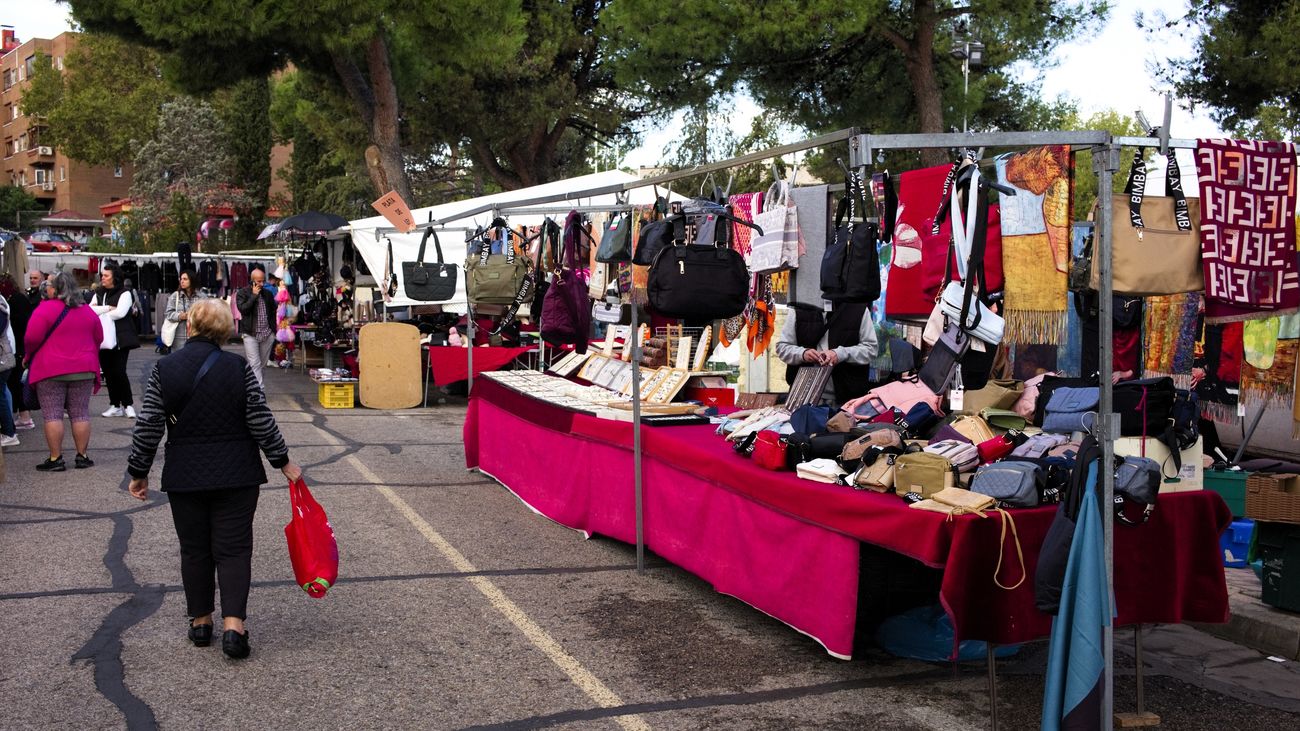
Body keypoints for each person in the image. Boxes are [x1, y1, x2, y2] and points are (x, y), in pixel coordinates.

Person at [126, 299, 301, 659]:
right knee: (234, 549)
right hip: (237, 473)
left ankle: (201, 622)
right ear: (225, 331)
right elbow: (259, 419)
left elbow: (149, 425)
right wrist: (282, 461)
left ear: (189, 327)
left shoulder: (165, 369)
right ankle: (234, 627)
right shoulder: (238, 368)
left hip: (185, 473)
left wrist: (138, 471)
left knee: (195, 549)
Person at [24, 271, 104, 471]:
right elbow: (99, 337)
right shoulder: (87, 311)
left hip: (50, 369)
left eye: (50, 285)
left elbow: (31, 339)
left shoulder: (45, 309)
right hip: (84, 369)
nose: (47, 288)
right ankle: (82, 456)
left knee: (52, 415)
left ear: (57, 289)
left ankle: (56, 458)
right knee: (80, 414)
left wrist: (27, 357)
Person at [774, 302, 879, 405]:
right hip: (804, 397)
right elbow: (782, 347)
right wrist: (803, 354)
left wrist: (840, 354)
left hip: (847, 398)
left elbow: (871, 349)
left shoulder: (858, 309)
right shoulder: (799, 308)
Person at [91, 264, 141, 418]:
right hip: (103, 339)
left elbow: (120, 312)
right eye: (102, 275)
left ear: (115, 277)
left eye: (106, 275)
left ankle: (128, 404)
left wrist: (102, 311)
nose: (102, 278)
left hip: (120, 339)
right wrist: (107, 308)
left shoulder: (125, 293)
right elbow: (90, 310)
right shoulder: (98, 292)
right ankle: (114, 405)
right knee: (108, 372)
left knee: (119, 371)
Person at [1, 273, 36, 431]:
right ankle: (21, 416)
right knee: (11, 385)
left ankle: (23, 417)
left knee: (14, 384)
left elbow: (22, 324)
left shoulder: (14, 300)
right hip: (17, 347)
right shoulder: (13, 299)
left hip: (18, 348)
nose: (32, 280)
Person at [235, 266, 277, 389]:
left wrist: (273, 331)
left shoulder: (268, 294)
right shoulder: (242, 293)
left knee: (262, 365)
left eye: (263, 280)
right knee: (255, 364)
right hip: (250, 334)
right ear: (252, 280)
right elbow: (243, 309)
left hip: (267, 334)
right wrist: (253, 296)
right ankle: (260, 390)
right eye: (258, 281)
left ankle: (255, 388)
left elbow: (273, 312)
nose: (261, 283)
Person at [165, 269, 207, 350]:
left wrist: (195, 315)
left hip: (197, 336)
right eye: (181, 279)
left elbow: (207, 315)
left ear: (192, 280)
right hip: (179, 338)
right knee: (178, 361)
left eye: (185, 279)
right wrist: (180, 316)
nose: (182, 281)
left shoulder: (202, 297)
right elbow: (168, 314)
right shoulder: (175, 296)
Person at [0, 294, 17, 447]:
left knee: (2, 395)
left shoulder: (0, 304)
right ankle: (8, 430)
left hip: (3, 359)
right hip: (5, 357)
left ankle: (8, 432)